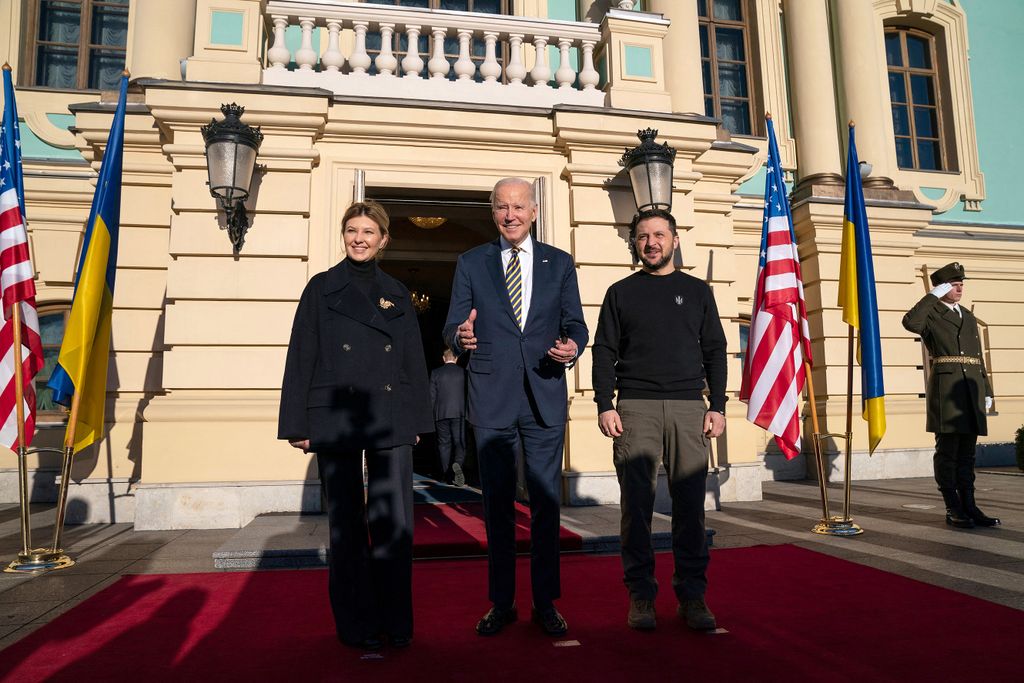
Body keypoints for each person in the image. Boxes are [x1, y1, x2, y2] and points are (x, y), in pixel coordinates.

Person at [278, 200, 433, 651]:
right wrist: (298, 423)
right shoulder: (321, 288)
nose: (359, 239)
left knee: (394, 525)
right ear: (343, 236)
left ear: (384, 239)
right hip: (335, 416)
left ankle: (396, 623)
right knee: (345, 527)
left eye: (368, 231)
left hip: (388, 417)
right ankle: (356, 625)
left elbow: (410, 361)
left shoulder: (397, 292)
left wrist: (415, 419)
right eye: (352, 231)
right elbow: (301, 356)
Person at [443, 177, 588, 637]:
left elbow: (576, 324)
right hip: (491, 398)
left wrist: (573, 346)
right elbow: (453, 325)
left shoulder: (559, 263)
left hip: (544, 393)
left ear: (534, 211)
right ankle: (501, 603)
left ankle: (545, 603)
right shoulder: (470, 262)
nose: (511, 215)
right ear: (493, 213)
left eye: (518, 206)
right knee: (498, 508)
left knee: (545, 505)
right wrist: (460, 338)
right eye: (502, 207)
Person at [591, 209, 727, 632]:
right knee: (637, 509)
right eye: (643, 236)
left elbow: (716, 351)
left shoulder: (698, 292)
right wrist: (603, 403)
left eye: (659, 235)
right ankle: (641, 598)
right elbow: (603, 351)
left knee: (690, 509)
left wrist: (717, 405)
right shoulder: (620, 292)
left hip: (689, 408)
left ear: (674, 239)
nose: (651, 242)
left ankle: (692, 597)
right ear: (634, 243)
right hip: (635, 408)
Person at [902, 262, 999, 529]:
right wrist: (931, 296)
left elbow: (977, 357)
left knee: (968, 454)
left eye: (960, 284)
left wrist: (987, 391)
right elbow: (910, 322)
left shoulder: (967, 315)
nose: (959, 288)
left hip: (971, 389)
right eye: (954, 285)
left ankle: (970, 505)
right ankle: (952, 506)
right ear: (942, 287)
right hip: (946, 389)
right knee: (948, 451)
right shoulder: (931, 313)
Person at [430, 348, 468, 486]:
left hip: (441, 414)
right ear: (456, 358)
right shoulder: (463, 373)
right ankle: (457, 464)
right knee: (460, 443)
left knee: (444, 444)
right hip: (459, 413)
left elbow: (431, 397)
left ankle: (446, 474)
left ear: (443, 358)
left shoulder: (436, 373)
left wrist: (431, 415)